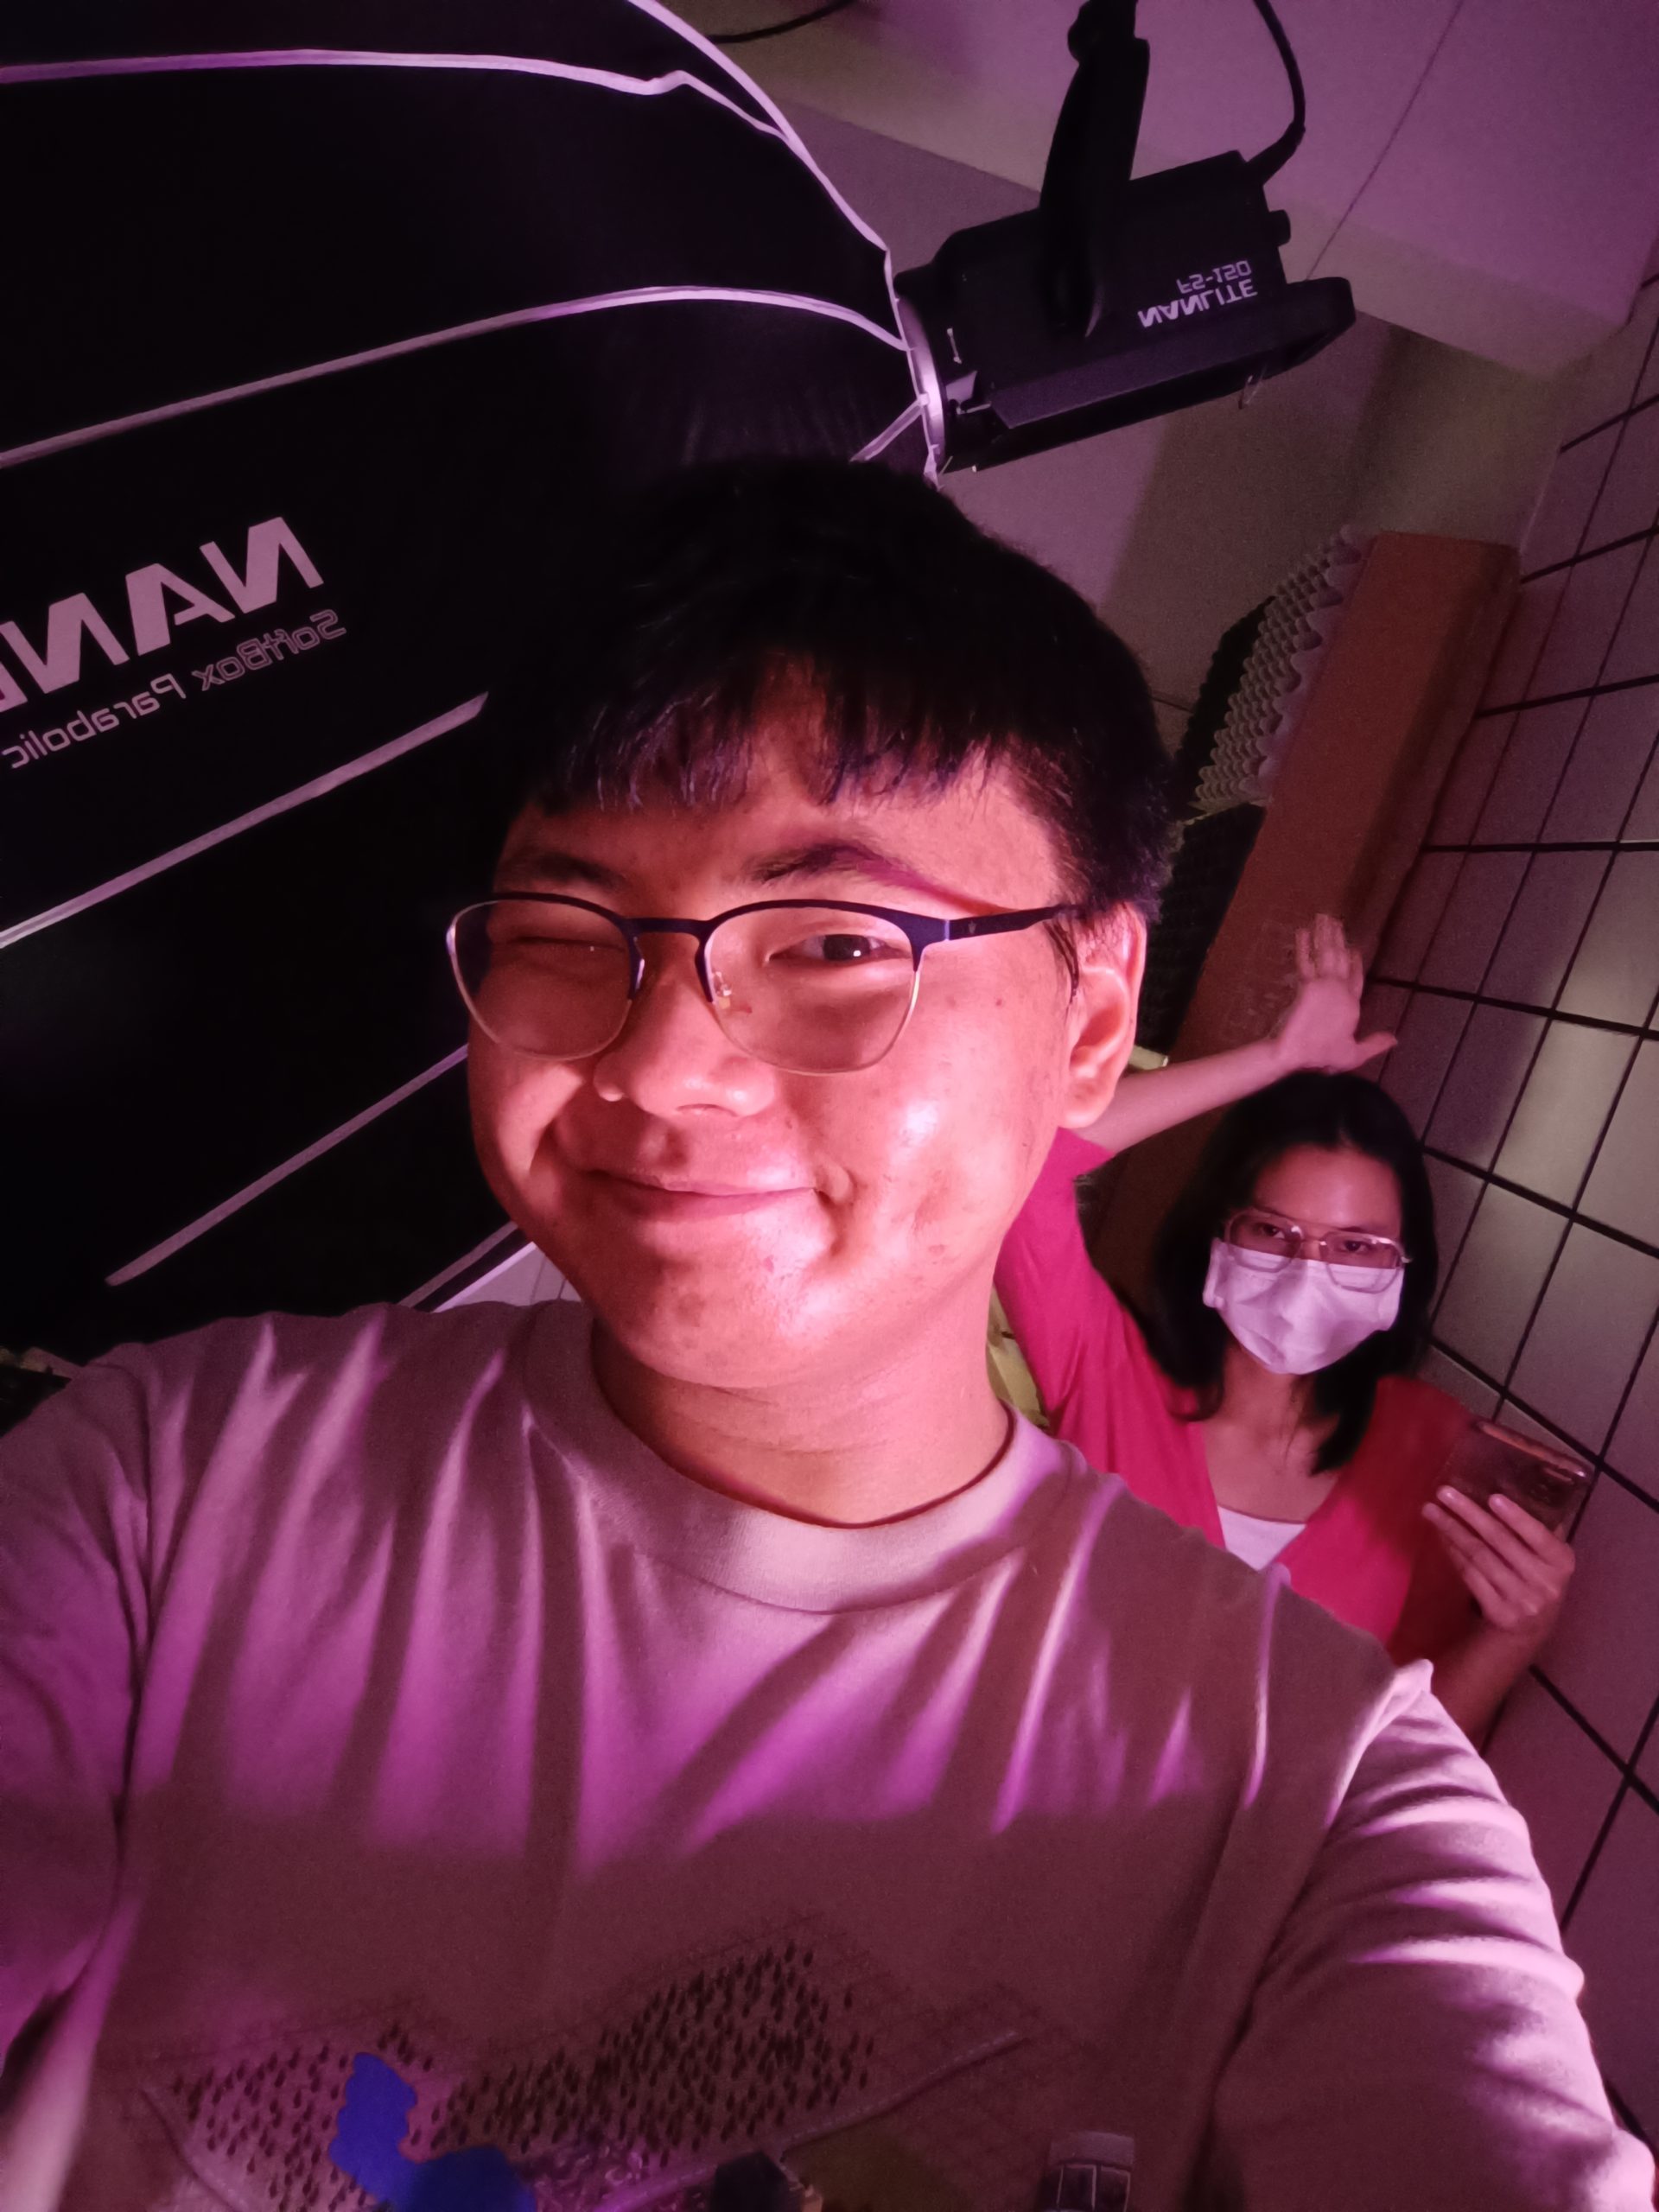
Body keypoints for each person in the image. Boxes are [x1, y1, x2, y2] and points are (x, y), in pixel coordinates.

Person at [0, 460, 1648, 2212]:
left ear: (1091, 1018)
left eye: (836, 941)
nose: (659, 1066)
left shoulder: (1314, 1805)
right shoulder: (172, 1482)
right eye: (568, 929)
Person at [994, 921, 1576, 1740]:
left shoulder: (1436, 1451)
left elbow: (1403, 1750)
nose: (1309, 1273)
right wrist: (1275, 1059)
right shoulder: (1105, 1372)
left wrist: (1514, 1635)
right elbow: (1027, 1159)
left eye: (1355, 1247)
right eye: (1273, 1231)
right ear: (1217, 1236)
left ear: (1405, 1269)